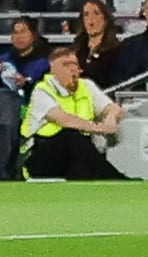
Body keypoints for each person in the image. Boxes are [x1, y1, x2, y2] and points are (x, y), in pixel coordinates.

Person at [15, 36, 125, 179]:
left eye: (74, 64)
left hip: (74, 152)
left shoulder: (86, 86)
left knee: (80, 164)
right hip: (39, 155)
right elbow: (65, 120)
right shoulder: (42, 90)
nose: (72, 69)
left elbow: (115, 109)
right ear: (53, 70)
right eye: (66, 65)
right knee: (71, 136)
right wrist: (100, 127)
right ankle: (115, 178)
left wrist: (110, 119)